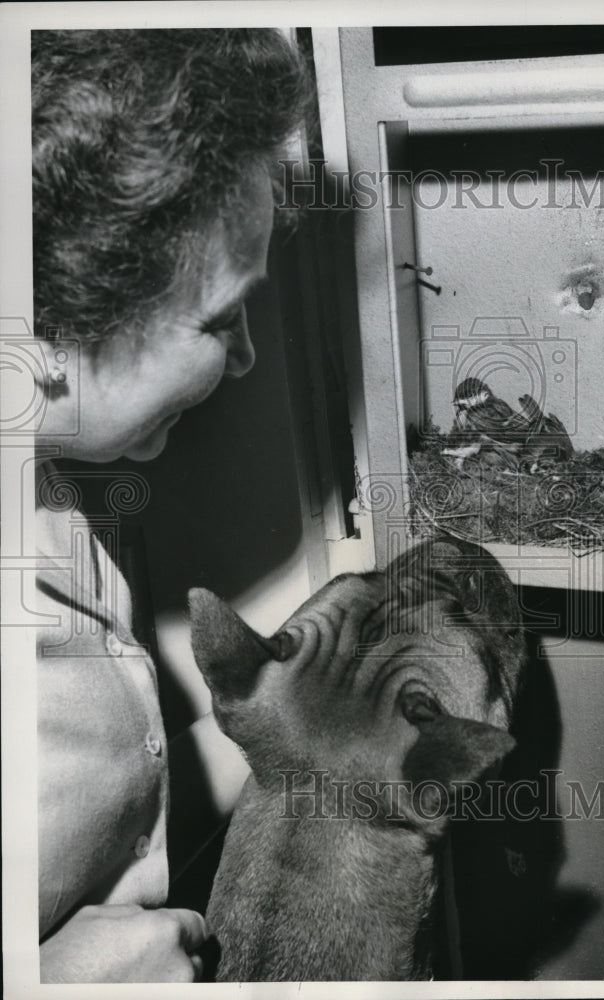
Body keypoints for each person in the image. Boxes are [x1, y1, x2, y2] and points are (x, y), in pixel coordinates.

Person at [32, 28, 310, 982]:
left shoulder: (46, 484)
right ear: (68, 309)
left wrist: (304, 725)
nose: (245, 360)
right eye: (220, 318)